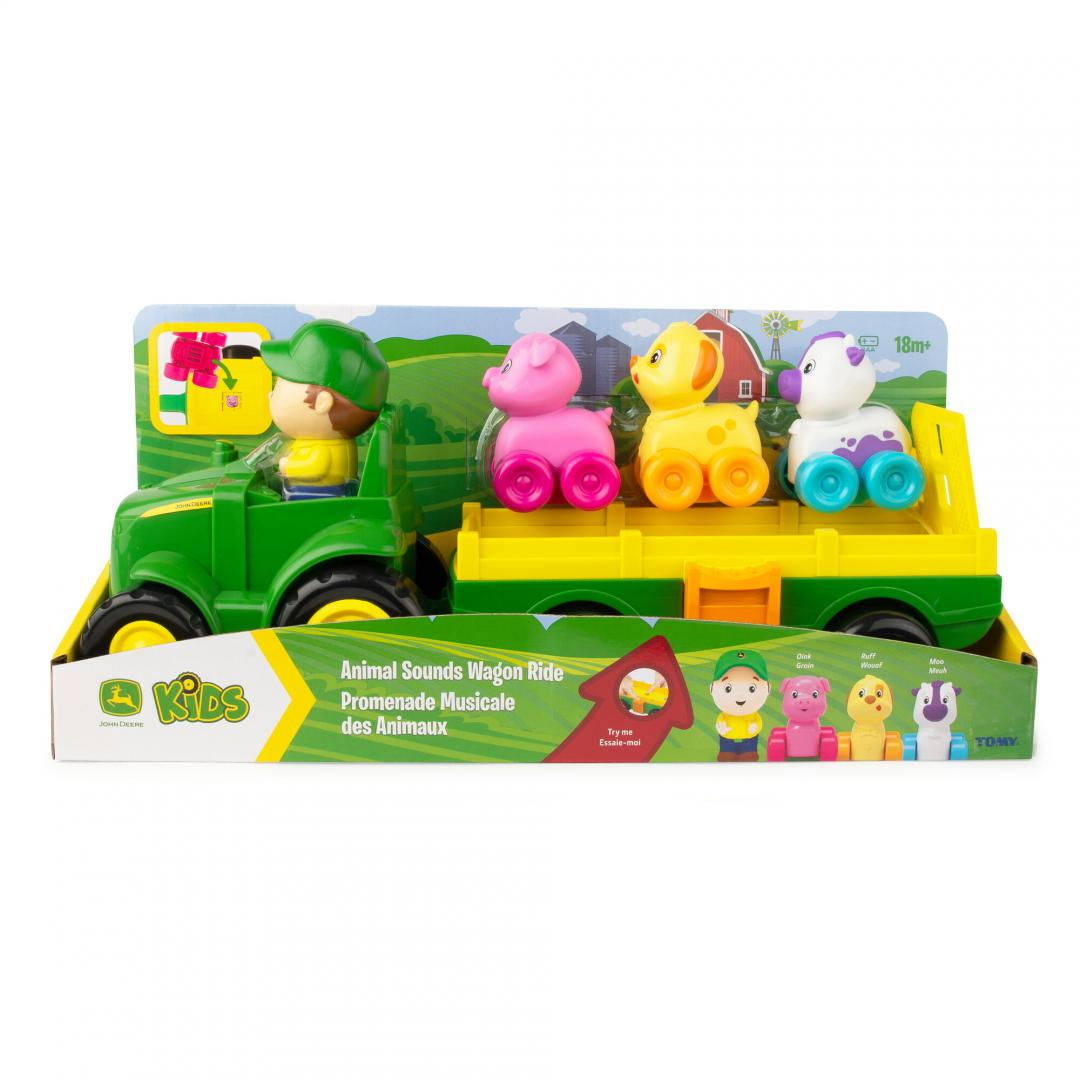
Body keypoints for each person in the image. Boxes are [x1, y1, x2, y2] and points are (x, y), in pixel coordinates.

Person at [262, 320, 389, 500]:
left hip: (315, 497)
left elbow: (315, 468)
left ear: (322, 403)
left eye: (278, 386)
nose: (269, 395)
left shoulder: (323, 447)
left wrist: (286, 465)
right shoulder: (327, 442)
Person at [710, 649, 771, 762]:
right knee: (726, 752)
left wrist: (755, 727)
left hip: (749, 737)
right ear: (711, 688)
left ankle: (748, 752)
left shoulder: (753, 715)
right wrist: (721, 727)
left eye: (752, 688)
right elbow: (720, 721)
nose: (740, 695)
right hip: (728, 737)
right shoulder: (724, 715)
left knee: (749, 752)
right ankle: (727, 752)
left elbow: (757, 722)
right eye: (728, 688)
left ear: (768, 688)